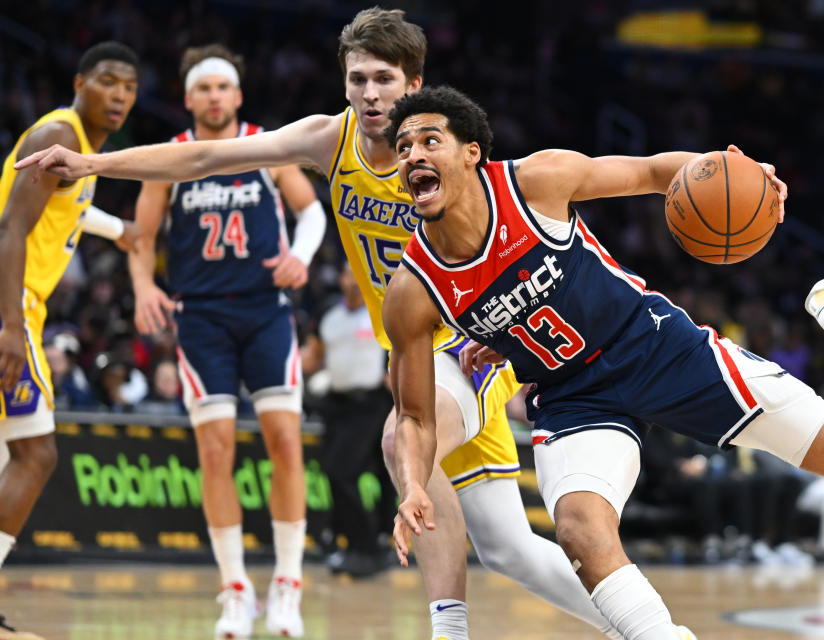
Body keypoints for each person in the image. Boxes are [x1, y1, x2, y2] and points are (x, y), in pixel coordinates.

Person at [13, 10, 623, 640]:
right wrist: (93, 166)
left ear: (415, 82)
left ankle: (448, 627)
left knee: (402, 438)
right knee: (508, 549)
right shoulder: (328, 140)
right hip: (409, 356)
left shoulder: (452, 156)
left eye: (384, 79)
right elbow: (204, 156)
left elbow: (516, 238)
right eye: (357, 78)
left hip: (465, 345)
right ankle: (641, 625)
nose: (370, 93)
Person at [377, 86, 824, 639]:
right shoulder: (413, 289)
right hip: (573, 396)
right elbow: (415, 418)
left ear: (472, 153)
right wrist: (415, 486)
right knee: (578, 528)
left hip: (652, 345)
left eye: (430, 140)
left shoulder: (535, 182)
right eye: (403, 148)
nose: (414, 156)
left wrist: (727, 169)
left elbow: (649, 172)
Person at [127, 44, 324, 639]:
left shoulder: (267, 147)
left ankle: (288, 584)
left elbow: (311, 212)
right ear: (189, 99)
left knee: (285, 443)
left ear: (237, 96)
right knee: (215, 452)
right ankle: (235, 588)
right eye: (203, 88)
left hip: (265, 312)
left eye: (223, 87)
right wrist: (141, 286)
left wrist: (301, 256)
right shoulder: (174, 156)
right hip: (202, 318)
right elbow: (141, 232)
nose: (214, 96)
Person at [0, 41, 141, 640]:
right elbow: (11, 229)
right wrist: (9, 326)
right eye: (108, 81)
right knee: (37, 453)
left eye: (131, 88)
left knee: (12, 457)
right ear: (80, 82)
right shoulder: (55, 132)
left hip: (19, 309)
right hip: (12, 310)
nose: (120, 95)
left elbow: (69, 207)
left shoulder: (75, 154)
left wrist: (121, 231)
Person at [302, 263, 394, 576]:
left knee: (346, 470)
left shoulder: (381, 310)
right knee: (337, 471)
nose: (353, 280)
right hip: (336, 403)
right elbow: (313, 356)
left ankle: (369, 546)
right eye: (347, 274)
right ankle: (353, 545)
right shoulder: (329, 315)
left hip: (371, 402)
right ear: (340, 279)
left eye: (358, 274)